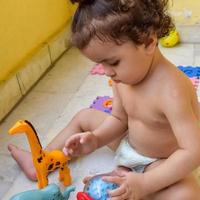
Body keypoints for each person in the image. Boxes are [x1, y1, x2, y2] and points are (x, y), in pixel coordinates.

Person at [8, 0, 200, 199]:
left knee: (187, 193)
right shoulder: (123, 77)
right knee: (85, 116)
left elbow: (193, 151)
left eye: (113, 62)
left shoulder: (172, 91)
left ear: (148, 42)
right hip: (130, 144)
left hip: (161, 162)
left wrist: (146, 183)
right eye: (100, 64)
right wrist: (97, 138)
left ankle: (132, 185)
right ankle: (42, 159)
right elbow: (119, 119)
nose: (107, 72)